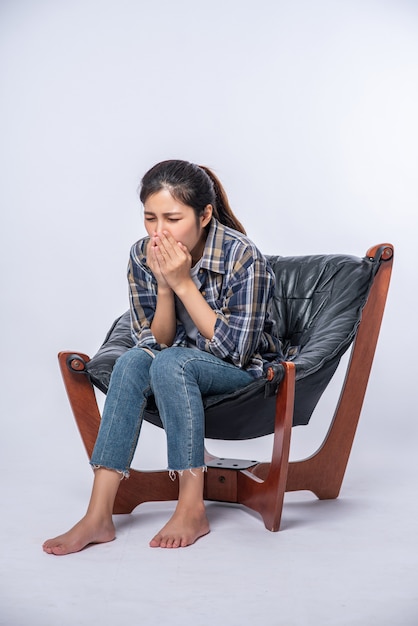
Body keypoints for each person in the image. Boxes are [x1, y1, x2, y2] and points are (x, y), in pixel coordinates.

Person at [43, 159, 281, 554]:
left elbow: (236, 352)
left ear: (204, 215)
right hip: (177, 365)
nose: (159, 232)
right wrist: (166, 286)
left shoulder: (243, 258)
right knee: (135, 360)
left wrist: (184, 282)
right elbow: (155, 341)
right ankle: (98, 513)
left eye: (172, 218)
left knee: (173, 363)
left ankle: (191, 507)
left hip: (246, 375)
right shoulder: (142, 256)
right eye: (150, 218)